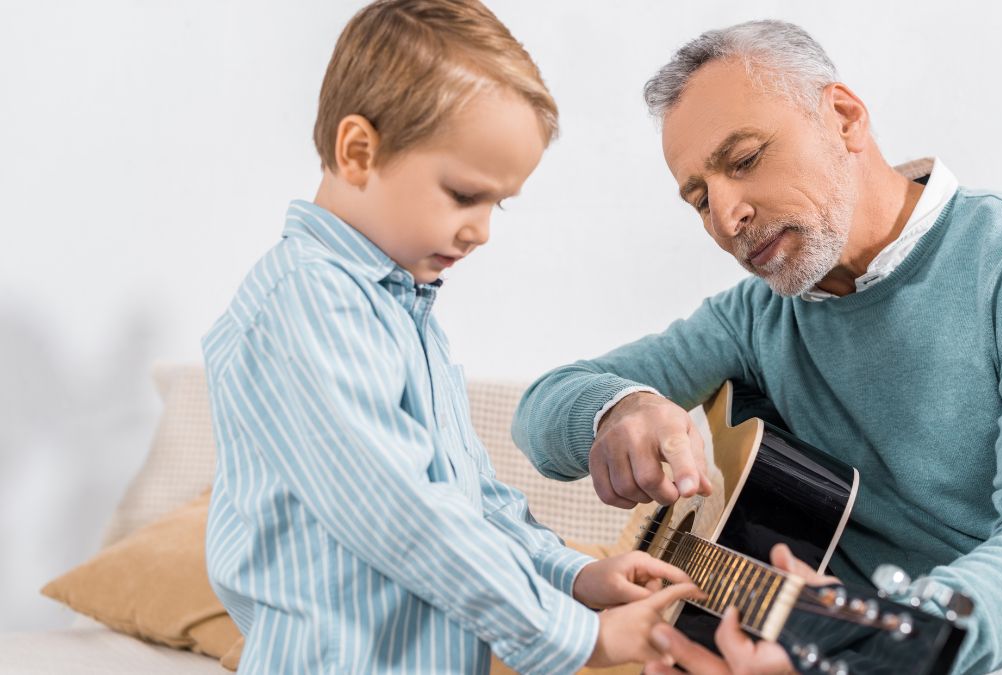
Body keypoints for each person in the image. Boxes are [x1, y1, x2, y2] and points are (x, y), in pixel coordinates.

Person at [512, 19, 1002, 675]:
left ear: (843, 117)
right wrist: (619, 408)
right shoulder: (757, 316)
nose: (726, 217)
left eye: (745, 159)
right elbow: (542, 414)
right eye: (698, 198)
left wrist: (884, 642)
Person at [200, 1, 699, 672]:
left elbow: (469, 500)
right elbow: (404, 512)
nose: (482, 230)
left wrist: (569, 575)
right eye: (465, 195)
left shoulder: (402, 310)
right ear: (358, 151)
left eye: (499, 203)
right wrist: (579, 637)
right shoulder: (306, 301)